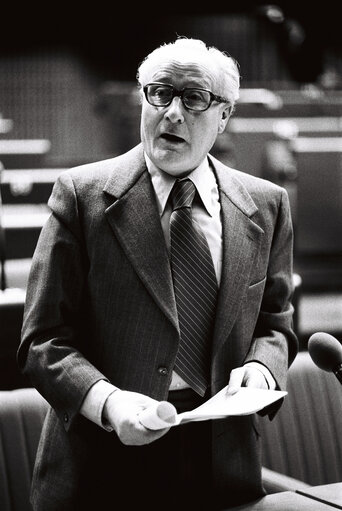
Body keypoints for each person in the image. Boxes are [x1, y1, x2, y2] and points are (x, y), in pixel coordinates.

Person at [18, 37, 298, 510]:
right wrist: (110, 403)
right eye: (159, 93)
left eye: (193, 98)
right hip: (103, 466)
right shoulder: (81, 196)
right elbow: (42, 340)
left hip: (222, 467)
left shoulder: (267, 204)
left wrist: (261, 371)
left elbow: (275, 323)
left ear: (224, 116)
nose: (172, 112)